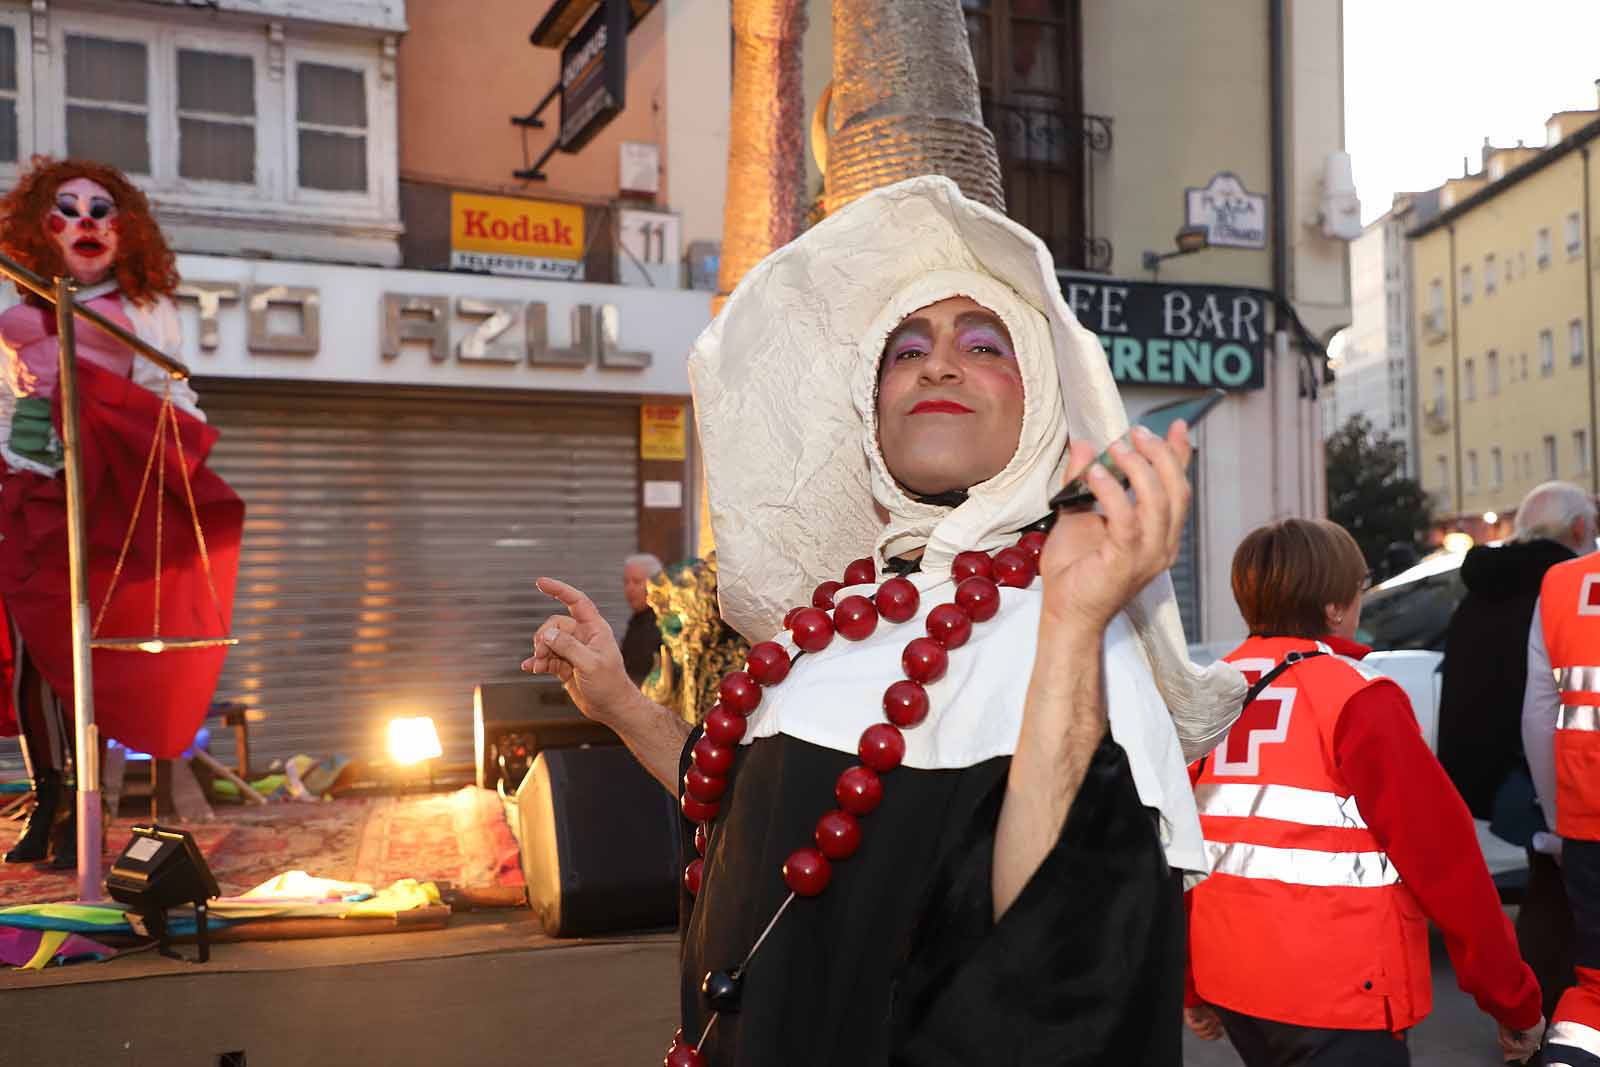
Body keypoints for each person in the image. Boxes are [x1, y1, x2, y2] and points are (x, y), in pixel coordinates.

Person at [524, 175, 1246, 1065]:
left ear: (1042, 408)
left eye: (984, 344)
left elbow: (1053, 962)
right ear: (871, 416)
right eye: (906, 350)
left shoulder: (1067, 630)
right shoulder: (831, 625)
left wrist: (1068, 628)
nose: (938, 363)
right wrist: (620, 703)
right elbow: (763, 822)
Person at [1185, 518, 1542, 1066]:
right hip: (1341, 994)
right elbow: (1446, 864)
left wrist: (1192, 982)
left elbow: (1174, 849)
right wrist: (1513, 1001)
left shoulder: (1209, 694)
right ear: (1333, 608)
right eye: (1357, 590)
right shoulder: (1357, 700)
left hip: (1235, 985)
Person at [0, 157, 244, 866]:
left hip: (113, 487)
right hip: (32, 484)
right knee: (36, 645)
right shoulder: (13, 300)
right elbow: (9, 403)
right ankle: (50, 794)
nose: (84, 222)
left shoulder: (144, 309)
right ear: (37, 224)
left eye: (100, 210)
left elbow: (168, 393)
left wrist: (183, 464)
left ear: (124, 228)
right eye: (66, 208)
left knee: (88, 646)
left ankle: (85, 800)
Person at [1440, 481, 1594, 1019]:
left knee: (1548, 899)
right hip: (1550, 779)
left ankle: (1531, 1020)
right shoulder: (1558, 587)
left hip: (1498, 777)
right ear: (1579, 529)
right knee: (1561, 907)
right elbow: (1539, 707)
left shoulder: (1485, 590)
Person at [1524, 522, 1600, 1067]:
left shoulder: (1561, 585)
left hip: (1587, 822)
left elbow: (1539, 715)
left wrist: (1559, 821)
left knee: (1593, 980)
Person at [621, 552, 664, 685]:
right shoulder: (637, 619)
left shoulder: (665, 623)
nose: (629, 589)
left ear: (656, 584)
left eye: (637, 581)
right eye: (626, 582)